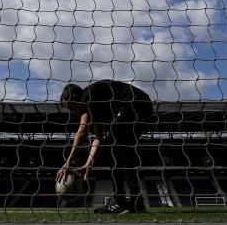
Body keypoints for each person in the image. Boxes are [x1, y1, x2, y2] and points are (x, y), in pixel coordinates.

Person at [56, 80, 155, 214]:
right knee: (121, 153)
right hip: (142, 107)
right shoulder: (96, 106)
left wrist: (67, 163)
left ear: (74, 97)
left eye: (69, 106)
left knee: (114, 147)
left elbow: (82, 131)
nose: (71, 111)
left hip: (134, 104)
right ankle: (136, 202)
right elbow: (98, 137)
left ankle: (120, 201)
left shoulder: (86, 96)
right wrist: (88, 163)